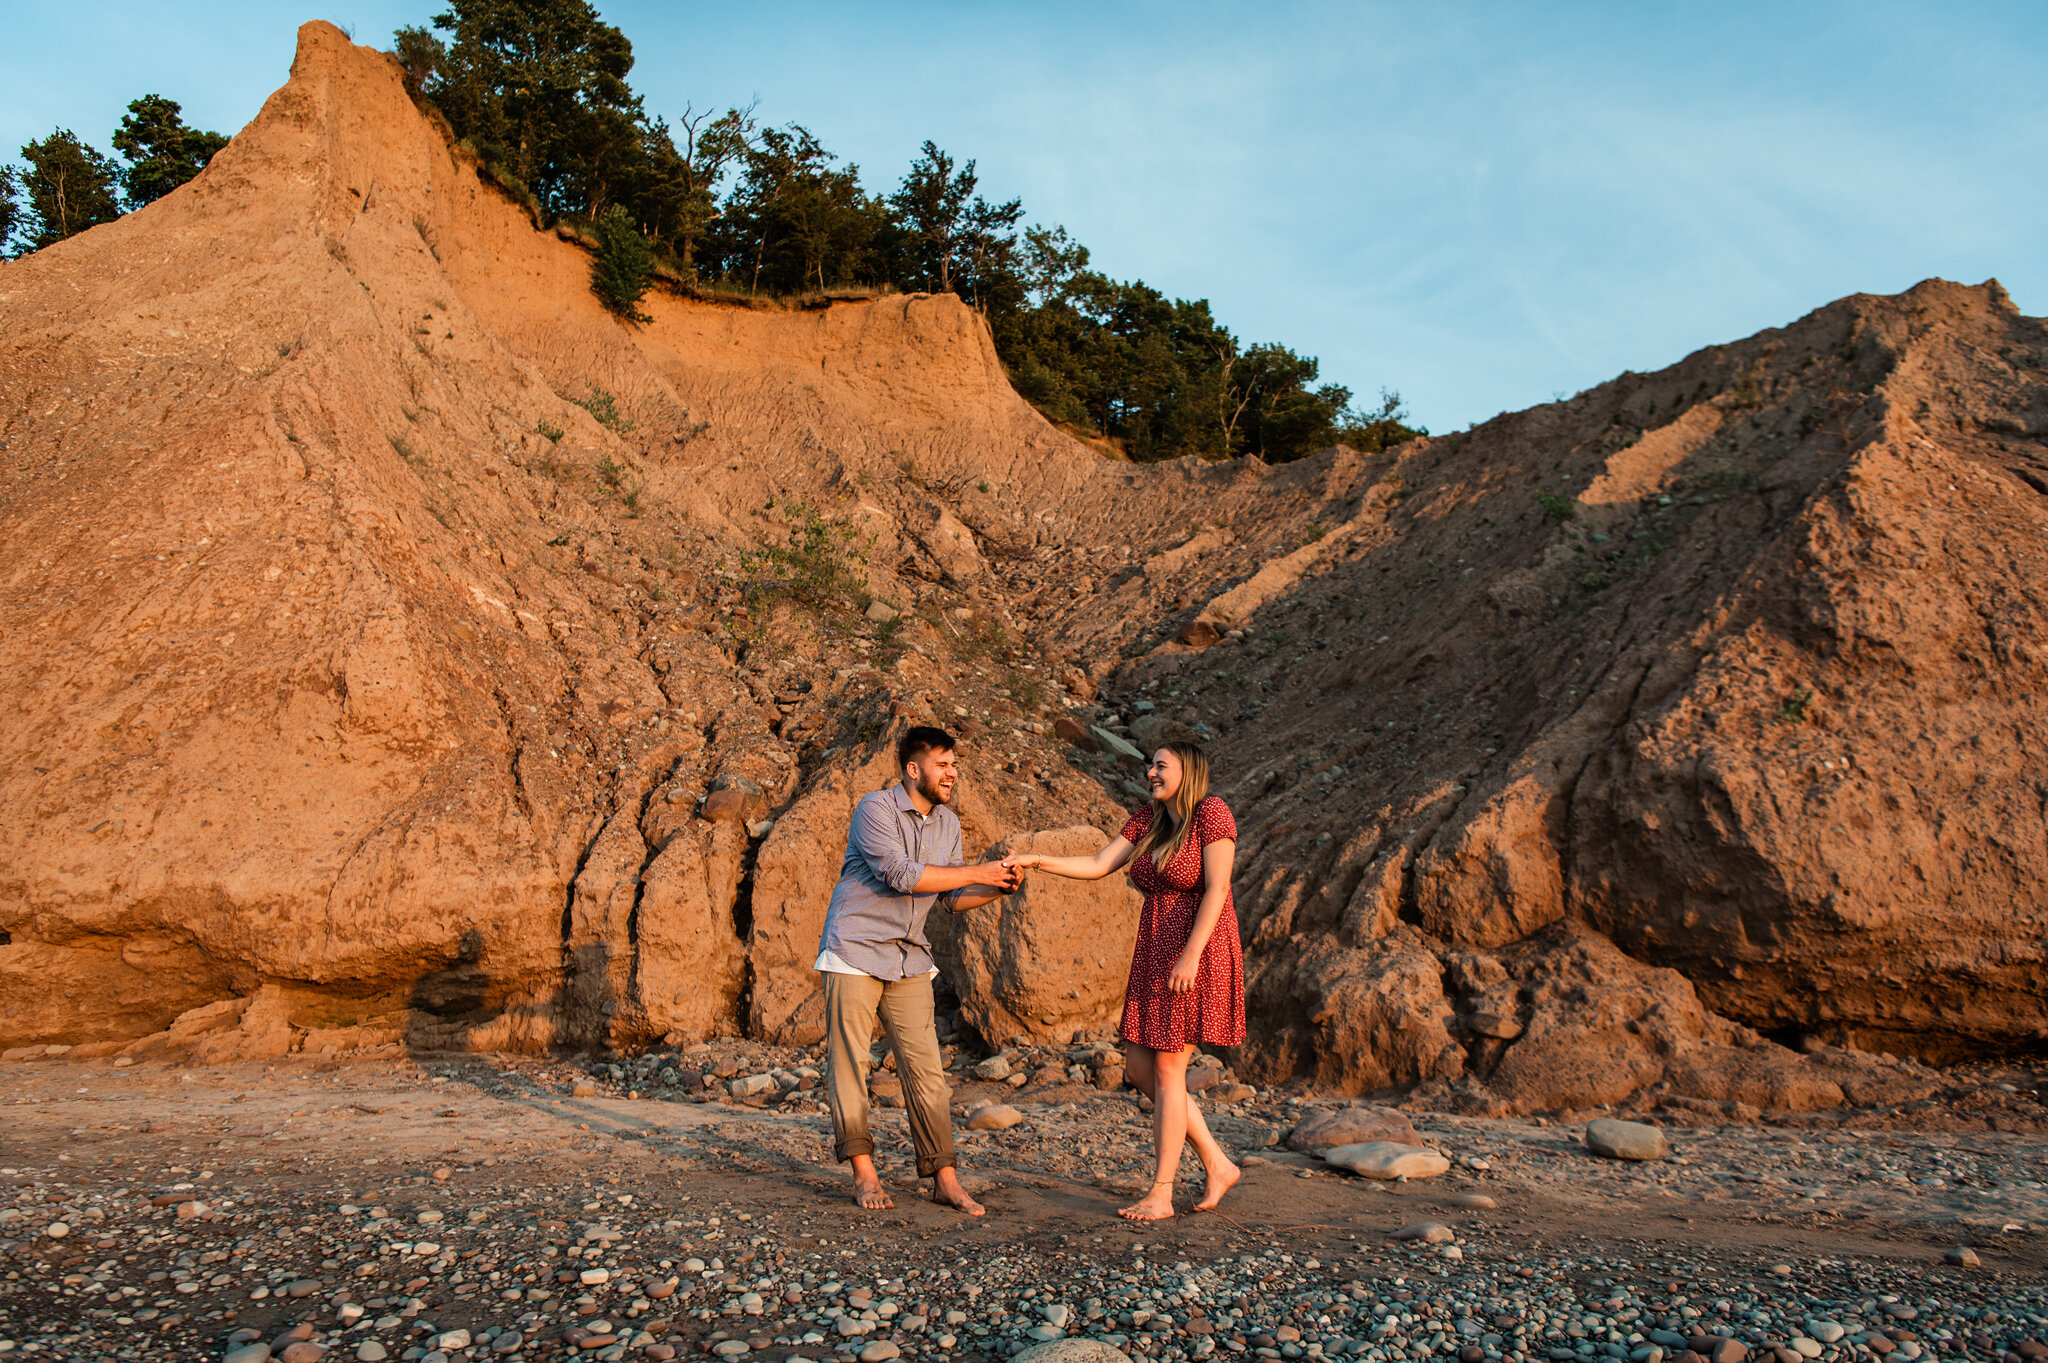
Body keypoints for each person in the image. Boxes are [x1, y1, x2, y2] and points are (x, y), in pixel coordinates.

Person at [1004, 740, 1243, 1221]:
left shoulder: (1211, 812)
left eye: (1160, 765)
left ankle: (1162, 1192)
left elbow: (1218, 888)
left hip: (1197, 950)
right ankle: (1217, 1162)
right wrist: (1037, 860)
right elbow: (1098, 864)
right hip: (1155, 951)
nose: (1150, 773)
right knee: (1138, 1069)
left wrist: (1191, 956)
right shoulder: (1150, 819)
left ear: (1188, 770)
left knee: (1170, 1071)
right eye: (1149, 765)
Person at [816, 725, 1022, 1215]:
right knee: (851, 1065)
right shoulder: (876, 809)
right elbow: (902, 875)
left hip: (910, 955)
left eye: (955, 765)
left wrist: (1000, 886)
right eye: (943, 765)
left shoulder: (948, 824)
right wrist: (979, 870)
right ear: (914, 769)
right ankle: (864, 1174)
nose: (953, 773)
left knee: (927, 1071)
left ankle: (944, 1178)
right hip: (856, 948)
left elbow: (951, 898)